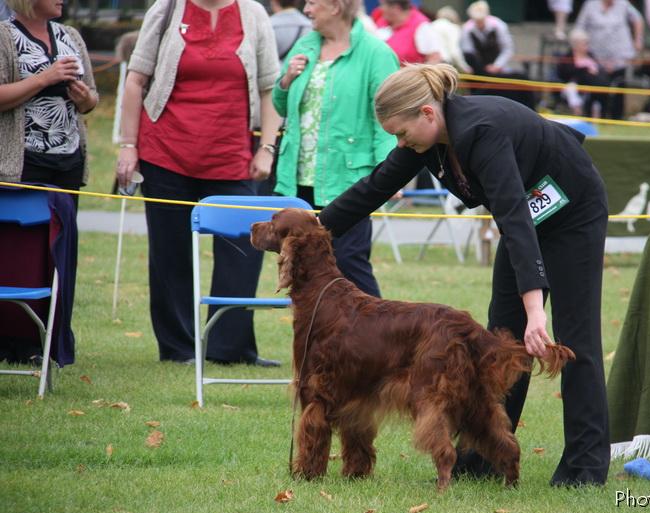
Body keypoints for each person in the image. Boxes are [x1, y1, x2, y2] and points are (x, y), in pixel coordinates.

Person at [318, 64, 610, 487]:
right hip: (526, 216)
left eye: (401, 133)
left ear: (427, 113)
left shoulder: (481, 132)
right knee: (501, 339)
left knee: (573, 339)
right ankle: (486, 454)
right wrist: (312, 230)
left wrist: (536, 312)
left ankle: (584, 470)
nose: (399, 143)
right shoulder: (429, 142)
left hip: (571, 211)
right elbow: (374, 187)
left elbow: (512, 216)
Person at [115, 0, 283, 366]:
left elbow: (271, 88)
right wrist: (129, 146)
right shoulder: (167, 8)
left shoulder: (253, 14)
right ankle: (179, 349)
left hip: (232, 156)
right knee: (170, 256)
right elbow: (136, 80)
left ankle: (230, 349)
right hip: (165, 154)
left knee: (244, 253)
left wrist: (267, 148)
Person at [273, 0, 398, 297]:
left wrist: (393, 171)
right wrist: (287, 79)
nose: (306, 9)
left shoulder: (376, 54)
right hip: (299, 176)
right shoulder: (305, 45)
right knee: (304, 268)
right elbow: (281, 105)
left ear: (336, 6)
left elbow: (390, 115)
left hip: (348, 179)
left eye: (313, 3)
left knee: (350, 264)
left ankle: (378, 339)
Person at [0, 0, 98, 206]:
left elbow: (92, 96)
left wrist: (85, 98)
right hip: (22, 163)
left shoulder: (71, 36)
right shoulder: (4, 36)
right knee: (25, 235)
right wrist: (43, 79)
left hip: (70, 162)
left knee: (63, 235)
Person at [574, 0, 644, 120]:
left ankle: (616, 119)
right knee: (599, 88)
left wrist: (638, 39)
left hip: (620, 56)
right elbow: (579, 28)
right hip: (596, 58)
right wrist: (580, 50)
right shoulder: (590, 5)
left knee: (620, 86)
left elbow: (638, 18)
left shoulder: (623, 4)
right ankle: (596, 117)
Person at [556, 28, 610, 116]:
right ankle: (577, 112)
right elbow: (564, 73)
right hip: (574, 85)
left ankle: (597, 116)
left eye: (587, 43)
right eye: (584, 43)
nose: (587, 45)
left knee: (600, 88)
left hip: (592, 85)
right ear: (575, 44)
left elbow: (599, 69)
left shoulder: (590, 55)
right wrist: (585, 70)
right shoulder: (568, 57)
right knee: (571, 88)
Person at [373, 0, 442, 64]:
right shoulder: (382, 22)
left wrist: (415, 75)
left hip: (408, 76)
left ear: (396, 8)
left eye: (382, 5)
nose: (380, 9)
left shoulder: (421, 26)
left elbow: (434, 59)